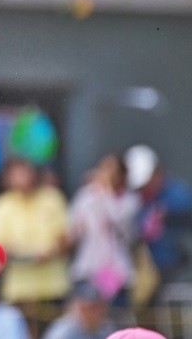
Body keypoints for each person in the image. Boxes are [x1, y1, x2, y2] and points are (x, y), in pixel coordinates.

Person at [0, 158, 70, 332]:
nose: (21, 178)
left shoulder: (51, 198)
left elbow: (64, 238)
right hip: (18, 289)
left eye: (24, 172)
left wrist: (50, 252)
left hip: (52, 285)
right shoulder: (1, 206)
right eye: (15, 173)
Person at [67, 153, 139, 304]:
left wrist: (104, 191)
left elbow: (117, 221)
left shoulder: (130, 200)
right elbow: (74, 228)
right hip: (88, 268)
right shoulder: (86, 195)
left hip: (117, 271)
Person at [125, 144, 192, 283]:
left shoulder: (179, 196)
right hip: (146, 274)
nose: (143, 190)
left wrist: (170, 216)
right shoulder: (136, 202)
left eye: (145, 184)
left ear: (156, 172)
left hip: (177, 273)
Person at [42, 282, 117, 339]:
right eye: (87, 308)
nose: (93, 313)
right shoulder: (63, 332)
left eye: (97, 307)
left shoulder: (105, 329)